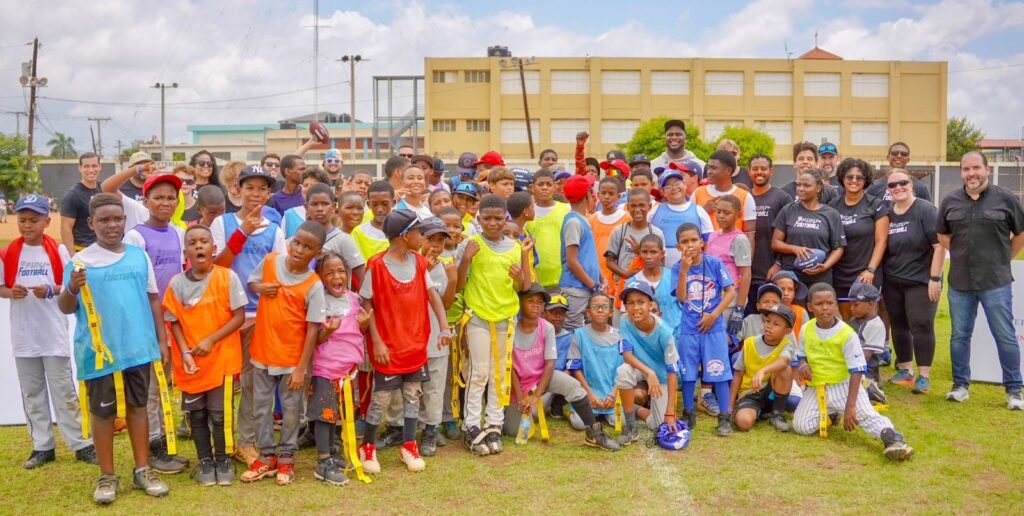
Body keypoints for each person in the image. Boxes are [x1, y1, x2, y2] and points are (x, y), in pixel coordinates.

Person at [57, 193, 170, 504]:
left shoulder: (138, 256)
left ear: (125, 221)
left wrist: (161, 340)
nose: (112, 225)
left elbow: (153, 299)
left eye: (117, 219)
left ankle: (143, 469)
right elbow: (65, 307)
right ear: (90, 223)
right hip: (99, 351)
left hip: (137, 346)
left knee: (138, 406)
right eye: (104, 220)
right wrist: (71, 287)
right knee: (103, 412)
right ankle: (107, 475)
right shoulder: (80, 262)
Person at [2, 195, 97, 469]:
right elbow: (2, 287)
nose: (27, 225)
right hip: (24, 335)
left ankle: (81, 444)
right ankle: (42, 446)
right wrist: (11, 292)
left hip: (53, 334)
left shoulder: (58, 251)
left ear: (46, 221)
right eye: (22, 220)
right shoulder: (8, 253)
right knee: (32, 392)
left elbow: (70, 286)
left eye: (33, 220)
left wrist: (50, 289)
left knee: (64, 390)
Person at [357, 210, 450, 473]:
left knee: (412, 394)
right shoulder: (376, 265)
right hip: (388, 347)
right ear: (405, 235)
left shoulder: (419, 262)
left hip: (416, 343)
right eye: (419, 232)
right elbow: (367, 304)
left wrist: (443, 327)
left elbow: (433, 296)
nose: (423, 237)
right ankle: (368, 446)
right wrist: (377, 342)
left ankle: (409, 445)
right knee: (382, 397)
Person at [240, 221, 326, 485]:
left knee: (291, 410)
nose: (299, 249)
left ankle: (287, 456)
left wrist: (301, 368)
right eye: (297, 243)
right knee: (261, 407)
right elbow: (252, 282)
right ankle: (266, 456)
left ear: (317, 253)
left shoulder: (313, 284)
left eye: (307, 247)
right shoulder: (271, 261)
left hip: (292, 360)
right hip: (263, 353)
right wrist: (261, 288)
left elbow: (313, 329)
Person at [211, 165, 286, 465]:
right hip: (226, 314)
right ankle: (221, 441)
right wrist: (242, 233)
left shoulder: (274, 230)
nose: (256, 194)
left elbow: (279, 271)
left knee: (253, 382)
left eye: (262, 189)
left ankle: (246, 441)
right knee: (223, 381)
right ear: (237, 190)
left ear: (268, 194)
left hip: (260, 314)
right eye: (249, 188)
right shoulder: (222, 222)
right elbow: (217, 265)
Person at [937, 151, 1024, 409]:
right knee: (959, 336)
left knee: (1005, 335)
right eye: (966, 169)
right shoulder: (950, 201)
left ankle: (1014, 391)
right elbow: (942, 235)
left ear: (987, 169)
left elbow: (1020, 234)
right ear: (961, 172)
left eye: (976, 168)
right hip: (960, 282)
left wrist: (1002, 258)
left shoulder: (1006, 199)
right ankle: (960, 386)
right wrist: (962, 252)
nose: (971, 173)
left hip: (995, 281)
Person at [163, 225, 246, 486]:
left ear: (213, 248)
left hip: (222, 359)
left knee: (219, 414)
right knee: (197, 415)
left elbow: (239, 317)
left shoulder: (227, 277)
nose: (199, 246)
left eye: (204, 241)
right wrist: (185, 352)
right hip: (192, 363)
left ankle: (223, 460)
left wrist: (212, 339)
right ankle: (205, 462)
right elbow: (173, 321)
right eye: (192, 242)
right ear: (185, 252)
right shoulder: (176, 283)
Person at [792, 284, 913, 461]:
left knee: (865, 416)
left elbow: (857, 370)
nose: (825, 308)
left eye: (829, 303)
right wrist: (803, 366)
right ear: (810, 307)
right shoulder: (806, 329)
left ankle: (893, 440)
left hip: (845, 385)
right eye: (819, 304)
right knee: (801, 426)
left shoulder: (847, 334)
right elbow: (801, 355)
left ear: (835, 305)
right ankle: (832, 413)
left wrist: (850, 406)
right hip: (818, 387)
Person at [456, 195, 530, 456]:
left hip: (505, 320)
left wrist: (519, 277)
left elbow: (523, 287)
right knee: (478, 373)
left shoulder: (514, 247)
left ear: (505, 219)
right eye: (486, 218)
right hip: (478, 318)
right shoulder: (470, 244)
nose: (492, 223)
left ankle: (494, 424)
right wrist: (466, 259)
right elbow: (459, 285)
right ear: (479, 219)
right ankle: (471, 426)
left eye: (498, 218)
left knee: (499, 374)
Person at [503, 287, 620, 451]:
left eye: (540, 302)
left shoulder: (547, 328)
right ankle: (502, 416)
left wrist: (536, 396)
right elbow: (510, 367)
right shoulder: (510, 328)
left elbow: (550, 364)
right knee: (512, 430)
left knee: (574, 386)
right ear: (520, 303)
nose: (536, 305)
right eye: (530, 301)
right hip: (518, 383)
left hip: (541, 377)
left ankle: (594, 432)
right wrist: (522, 397)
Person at [883, 169, 945, 395]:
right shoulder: (888, 213)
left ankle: (924, 376)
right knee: (898, 325)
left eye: (902, 183)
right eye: (892, 185)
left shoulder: (925, 210)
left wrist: (935, 278)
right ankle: (905, 370)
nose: (897, 188)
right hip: (893, 280)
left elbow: (939, 246)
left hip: (921, 280)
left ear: (911, 184)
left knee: (921, 324)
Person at [674, 223, 737, 436]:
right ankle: (688, 413)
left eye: (694, 240)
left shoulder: (714, 263)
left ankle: (724, 417)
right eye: (684, 242)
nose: (690, 245)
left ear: (702, 242)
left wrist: (714, 315)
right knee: (688, 372)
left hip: (714, 329)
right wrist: (684, 271)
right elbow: (681, 298)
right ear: (678, 246)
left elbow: (730, 292)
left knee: (719, 371)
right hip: (689, 330)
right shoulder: (677, 268)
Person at [615, 283, 680, 445]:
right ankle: (631, 427)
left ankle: (637, 410)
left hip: (662, 375)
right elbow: (627, 356)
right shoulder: (625, 320)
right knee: (623, 371)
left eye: (641, 302)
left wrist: (670, 412)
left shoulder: (665, 332)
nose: (635, 307)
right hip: (639, 367)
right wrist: (649, 372)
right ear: (625, 307)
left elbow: (672, 371)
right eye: (630, 303)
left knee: (658, 425)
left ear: (650, 305)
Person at [416, 217, 458, 457]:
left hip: (436, 337)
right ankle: (407, 429)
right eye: (430, 239)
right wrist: (424, 270)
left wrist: (452, 280)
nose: (435, 245)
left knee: (434, 387)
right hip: (412, 338)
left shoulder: (444, 267)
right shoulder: (410, 263)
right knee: (412, 388)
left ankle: (430, 430)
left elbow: (446, 304)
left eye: (441, 240)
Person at [829, 158, 887, 319]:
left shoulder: (876, 204)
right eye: (850, 176)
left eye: (859, 177)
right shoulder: (833, 205)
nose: (854, 180)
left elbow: (881, 241)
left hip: (865, 274)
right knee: (848, 321)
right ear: (842, 178)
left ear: (865, 180)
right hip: (840, 274)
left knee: (867, 320)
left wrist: (870, 270)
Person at [771, 169, 846, 287]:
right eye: (799, 185)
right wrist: (794, 249)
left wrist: (825, 266)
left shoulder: (831, 214)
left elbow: (839, 248)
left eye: (806, 185)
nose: (800, 189)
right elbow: (775, 243)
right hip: (792, 276)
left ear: (818, 188)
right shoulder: (788, 210)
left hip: (820, 276)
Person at [730, 303, 795, 432]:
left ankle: (777, 413)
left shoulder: (787, 344)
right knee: (744, 423)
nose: (769, 326)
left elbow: (784, 361)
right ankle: (758, 412)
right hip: (751, 393)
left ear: (787, 331)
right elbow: (737, 376)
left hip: (771, 393)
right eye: (767, 321)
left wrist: (763, 371)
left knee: (785, 369)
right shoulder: (749, 343)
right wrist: (729, 407)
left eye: (776, 324)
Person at [565, 293, 625, 430]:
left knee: (621, 423)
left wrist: (614, 394)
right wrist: (589, 394)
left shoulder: (620, 336)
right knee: (580, 424)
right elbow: (575, 368)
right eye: (595, 307)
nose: (600, 310)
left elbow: (625, 368)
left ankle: (605, 412)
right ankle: (571, 411)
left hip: (611, 394)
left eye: (604, 307)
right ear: (588, 312)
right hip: (587, 393)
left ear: (611, 313)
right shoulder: (579, 334)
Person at [604, 189, 664, 314]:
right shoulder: (619, 231)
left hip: (649, 290)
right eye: (633, 206)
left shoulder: (656, 233)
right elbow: (609, 262)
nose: (637, 210)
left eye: (641, 205)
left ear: (649, 206)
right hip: (623, 289)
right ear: (627, 207)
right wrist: (626, 274)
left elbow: (661, 264)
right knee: (622, 323)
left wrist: (640, 254)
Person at [746, 153, 792, 315]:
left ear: (771, 171)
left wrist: (778, 263)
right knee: (749, 320)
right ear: (749, 172)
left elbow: (790, 235)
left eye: (763, 168)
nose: (759, 172)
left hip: (770, 272)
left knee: (771, 319)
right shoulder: (744, 197)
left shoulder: (782, 198)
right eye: (755, 169)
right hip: (746, 273)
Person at [649, 162, 713, 267]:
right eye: (668, 186)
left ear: (684, 185)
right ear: (662, 192)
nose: (674, 188)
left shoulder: (699, 211)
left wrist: (705, 266)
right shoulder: (654, 212)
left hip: (693, 269)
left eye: (677, 183)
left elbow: (709, 242)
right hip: (662, 270)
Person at [560, 175, 602, 331]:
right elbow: (572, 262)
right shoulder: (574, 222)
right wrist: (592, 284)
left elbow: (589, 255)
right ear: (587, 195)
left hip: (586, 288)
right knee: (572, 330)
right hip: (576, 289)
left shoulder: (583, 219)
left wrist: (600, 278)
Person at [706, 194, 752, 331]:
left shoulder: (739, 239)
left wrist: (739, 308)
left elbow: (746, 275)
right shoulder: (713, 235)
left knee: (722, 335)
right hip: (712, 295)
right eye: (718, 211)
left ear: (738, 215)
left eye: (727, 213)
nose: (721, 216)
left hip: (730, 299)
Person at [693, 150, 757, 244]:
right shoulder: (697, 193)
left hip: (733, 252)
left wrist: (746, 254)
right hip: (704, 252)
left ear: (728, 171)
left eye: (714, 168)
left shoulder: (745, 196)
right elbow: (688, 225)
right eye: (708, 167)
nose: (709, 172)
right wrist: (703, 211)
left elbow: (750, 234)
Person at [625, 234, 682, 335]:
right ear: (639, 253)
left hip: (675, 336)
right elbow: (627, 317)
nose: (648, 256)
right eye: (644, 252)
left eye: (653, 252)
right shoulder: (631, 283)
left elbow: (685, 306)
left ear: (662, 253)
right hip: (646, 339)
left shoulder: (674, 277)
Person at [526, 170, 570, 292]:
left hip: (562, 278)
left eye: (549, 184)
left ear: (555, 187)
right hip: (535, 279)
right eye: (540, 184)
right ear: (532, 188)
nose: (545, 188)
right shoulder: (526, 211)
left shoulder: (567, 209)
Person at [588, 176, 630, 300]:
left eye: (611, 194)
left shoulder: (626, 218)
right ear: (598, 195)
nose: (607, 197)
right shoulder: (592, 219)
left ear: (618, 196)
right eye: (604, 193)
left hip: (618, 273)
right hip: (597, 274)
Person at [846, 282, 889, 404]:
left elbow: (866, 356)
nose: (851, 308)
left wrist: (847, 365)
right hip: (850, 363)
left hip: (865, 369)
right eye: (851, 305)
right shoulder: (853, 321)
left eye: (855, 305)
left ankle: (872, 387)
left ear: (870, 304)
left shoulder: (876, 325)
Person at [61, 152, 104, 256]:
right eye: (86, 166)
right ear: (80, 168)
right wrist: (72, 257)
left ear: (100, 167)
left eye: (94, 166)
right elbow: (66, 228)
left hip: (103, 249)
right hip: (82, 251)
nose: (91, 170)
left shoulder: (104, 189)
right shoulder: (73, 195)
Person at [866, 142, 932, 204]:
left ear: (908, 159)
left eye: (904, 154)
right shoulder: (875, 187)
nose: (899, 156)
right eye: (894, 153)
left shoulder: (920, 187)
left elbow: (928, 210)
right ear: (888, 157)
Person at [352, 181, 395, 260]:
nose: (380, 209)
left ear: (393, 203)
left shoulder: (402, 231)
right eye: (374, 205)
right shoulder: (359, 232)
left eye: (385, 204)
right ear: (368, 205)